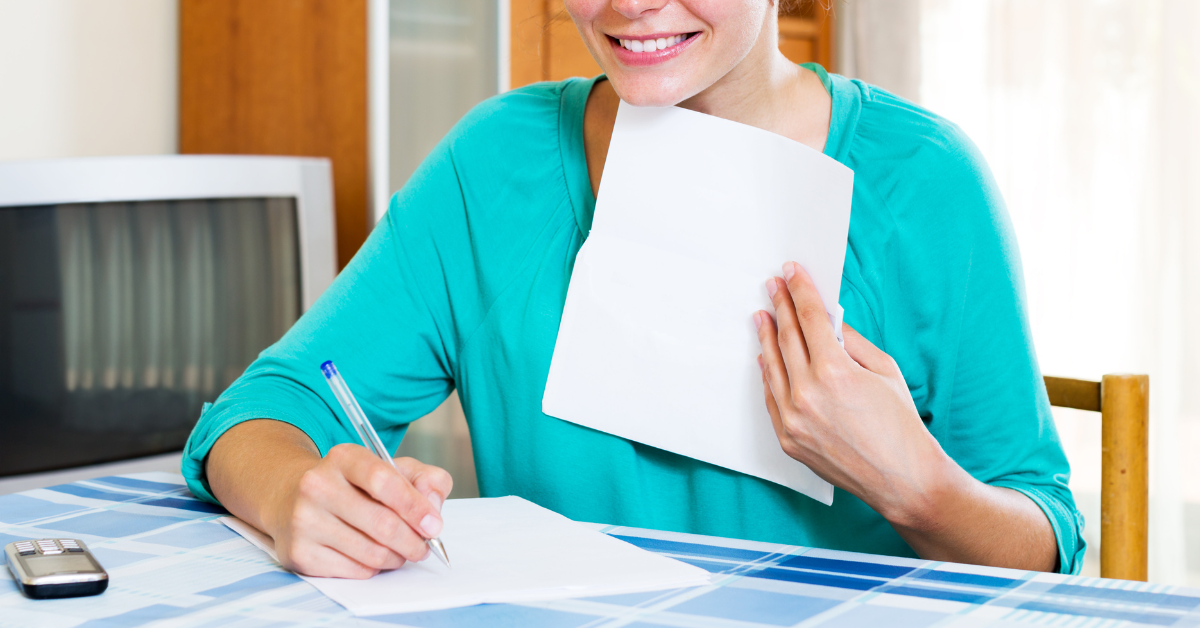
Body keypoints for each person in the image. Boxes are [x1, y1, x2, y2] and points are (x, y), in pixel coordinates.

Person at [183, 0, 1084, 578]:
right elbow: (267, 407)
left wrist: (918, 485)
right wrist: (297, 493)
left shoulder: (924, 183)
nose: (630, 3)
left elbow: (1045, 546)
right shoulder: (495, 161)